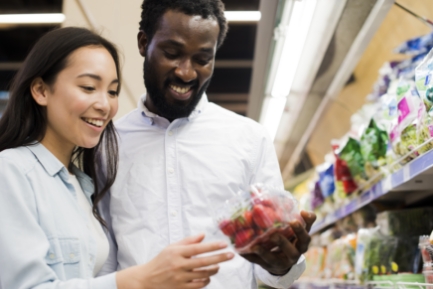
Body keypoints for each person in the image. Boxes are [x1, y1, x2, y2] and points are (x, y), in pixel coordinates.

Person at [101, 0, 317, 288]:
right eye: (172, 53)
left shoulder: (249, 139)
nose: (186, 73)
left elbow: (274, 267)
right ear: (144, 43)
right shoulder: (107, 144)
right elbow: (103, 261)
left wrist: (282, 266)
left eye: (202, 59)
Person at [0, 26, 234, 289]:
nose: (105, 105)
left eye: (112, 91)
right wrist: (140, 279)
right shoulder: (11, 171)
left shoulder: (82, 185)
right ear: (41, 91)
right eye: (89, 87)